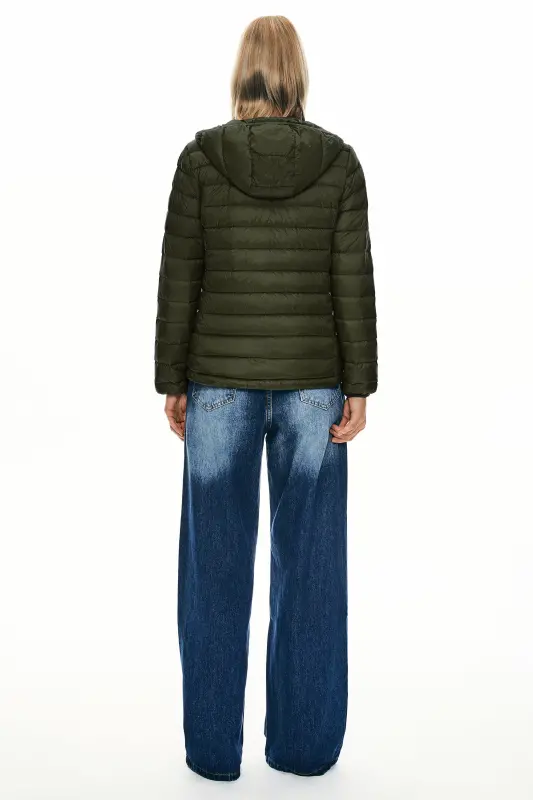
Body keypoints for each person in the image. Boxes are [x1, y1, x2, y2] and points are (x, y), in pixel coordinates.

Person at [154, 15, 378, 782]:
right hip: (315, 387)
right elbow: (352, 283)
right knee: (310, 570)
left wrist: (173, 380)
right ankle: (305, 750)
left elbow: (179, 278)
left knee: (212, 574)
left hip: (216, 384)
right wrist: (357, 385)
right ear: (297, 74)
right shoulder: (338, 161)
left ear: (242, 72)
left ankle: (212, 755)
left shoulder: (199, 160)